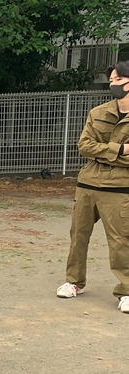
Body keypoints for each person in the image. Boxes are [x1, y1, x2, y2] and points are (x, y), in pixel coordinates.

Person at [56, 60, 129, 314]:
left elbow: (94, 149)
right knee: (78, 235)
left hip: (120, 188)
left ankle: (126, 291)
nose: (113, 84)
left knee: (120, 241)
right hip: (87, 183)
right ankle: (74, 282)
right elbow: (84, 146)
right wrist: (119, 150)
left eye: (118, 80)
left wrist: (102, 152)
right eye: (111, 80)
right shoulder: (98, 112)